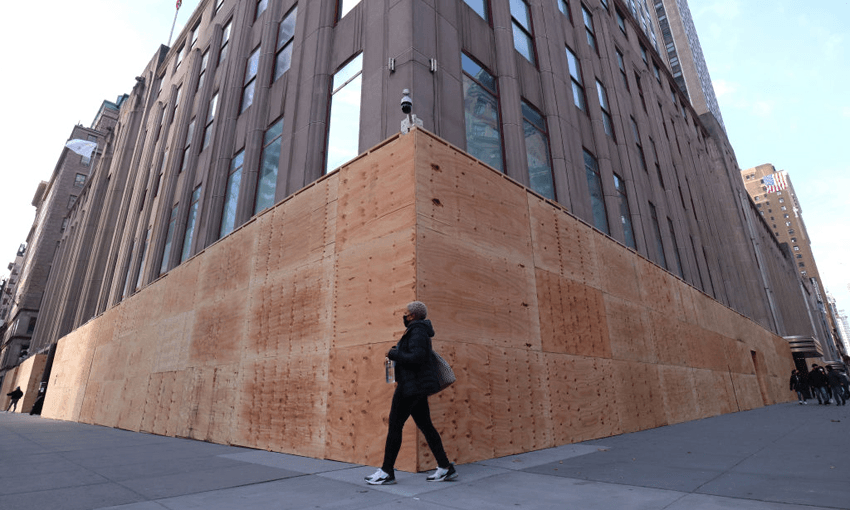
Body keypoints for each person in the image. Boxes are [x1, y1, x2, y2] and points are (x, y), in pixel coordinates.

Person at [365, 301, 457, 485]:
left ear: (413, 315)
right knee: (426, 426)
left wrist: (393, 354)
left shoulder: (417, 331)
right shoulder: (418, 331)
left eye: (406, 313)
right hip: (415, 387)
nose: (404, 316)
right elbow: (416, 356)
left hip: (410, 388)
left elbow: (417, 358)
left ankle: (386, 471)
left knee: (395, 426)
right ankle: (445, 467)